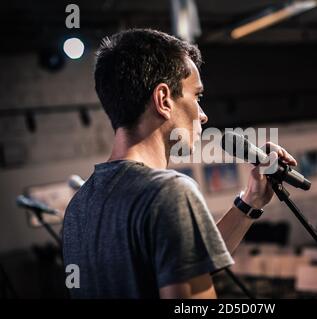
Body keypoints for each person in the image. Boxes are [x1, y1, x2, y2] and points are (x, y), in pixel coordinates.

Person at [62, 28, 297, 299]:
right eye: (196, 96)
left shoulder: (78, 207)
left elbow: (184, 265)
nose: (203, 115)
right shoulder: (169, 191)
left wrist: (250, 201)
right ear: (163, 100)